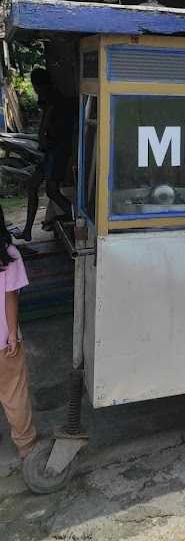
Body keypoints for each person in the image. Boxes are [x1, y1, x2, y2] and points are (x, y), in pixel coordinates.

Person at [17, 68, 76, 243]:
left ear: (38, 86)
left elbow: (48, 128)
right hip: (51, 151)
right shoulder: (50, 99)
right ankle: (27, 230)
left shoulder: (54, 100)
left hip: (57, 151)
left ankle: (78, 217)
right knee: (32, 185)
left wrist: (43, 137)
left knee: (52, 191)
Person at [0, 204, 37, 459]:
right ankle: (27, 448)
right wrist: (12, 335)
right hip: (4, 340)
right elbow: (10, 297)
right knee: (14, 393)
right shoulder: (9, 255)